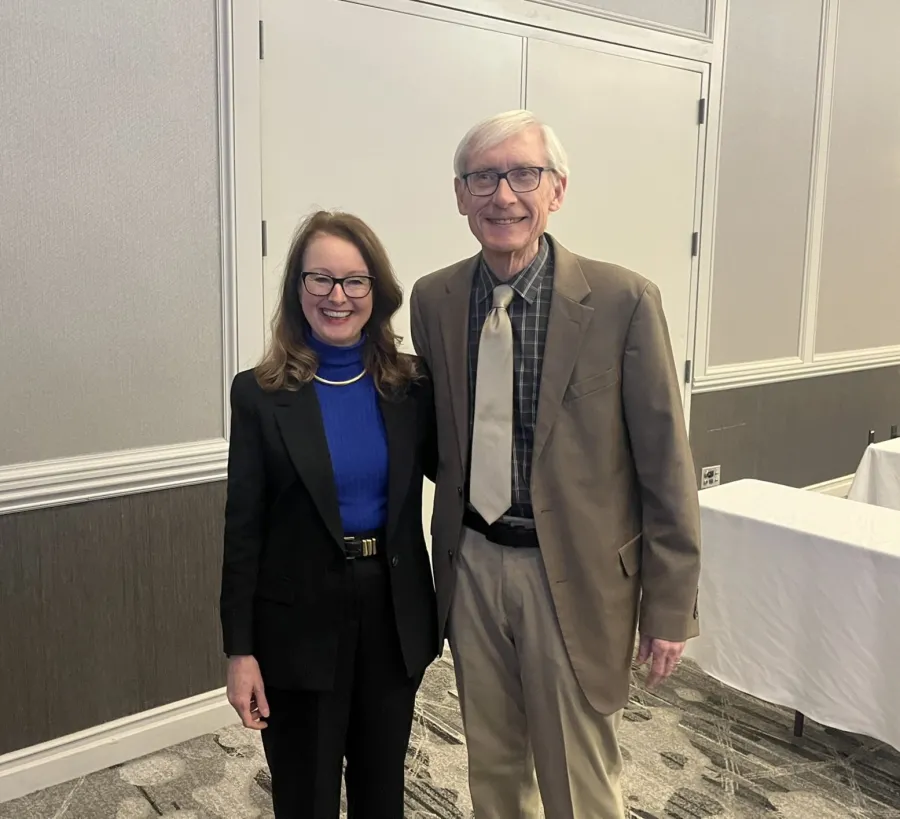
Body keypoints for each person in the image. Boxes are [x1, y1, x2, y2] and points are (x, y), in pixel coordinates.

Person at [409, 110, 702, 818]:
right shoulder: (434, 299)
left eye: (523, 174)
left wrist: (670, 606)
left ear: (557, 190)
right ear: (460, 195)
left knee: (579, 776)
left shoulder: (623, 302)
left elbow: (667, 467)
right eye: (483, 177)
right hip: (472, 564)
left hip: (573, 572)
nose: (502, 194)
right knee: (494, 765)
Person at [220, 210, 438, 819]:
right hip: (295, 625)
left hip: (392, 614)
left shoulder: (410, 385)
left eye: (354, 281)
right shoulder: (260, 393)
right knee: (307, 796)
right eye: (320, 279)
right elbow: (243, 529)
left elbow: (462, 471)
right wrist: (240, 651)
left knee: (381, 793)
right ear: (297, 289)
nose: (337, 297)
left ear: (377, 291)